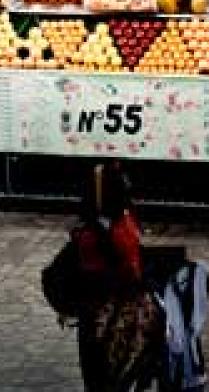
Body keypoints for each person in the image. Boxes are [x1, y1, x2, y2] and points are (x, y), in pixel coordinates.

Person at [69, 163, 161, 392]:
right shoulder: (122, 227)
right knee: (116, 376)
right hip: (118, 314)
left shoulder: (86, 229)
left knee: (96, 376)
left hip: (92, 312)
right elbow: (132, 269)